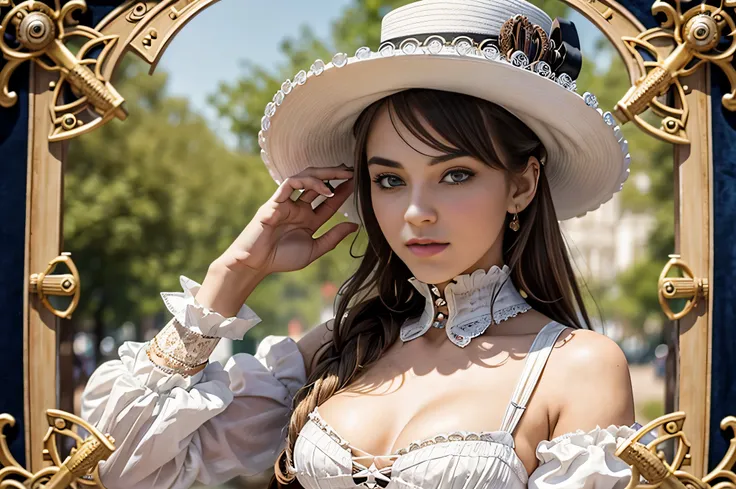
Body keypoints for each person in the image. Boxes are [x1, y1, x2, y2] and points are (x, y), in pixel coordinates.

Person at [80, 1, 640, 488]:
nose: (416, 212)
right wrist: (235, 274)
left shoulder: (577, 367)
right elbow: (119, 465)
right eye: (390, 180)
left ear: (521, 184)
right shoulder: (343, 347)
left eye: (455, 175)